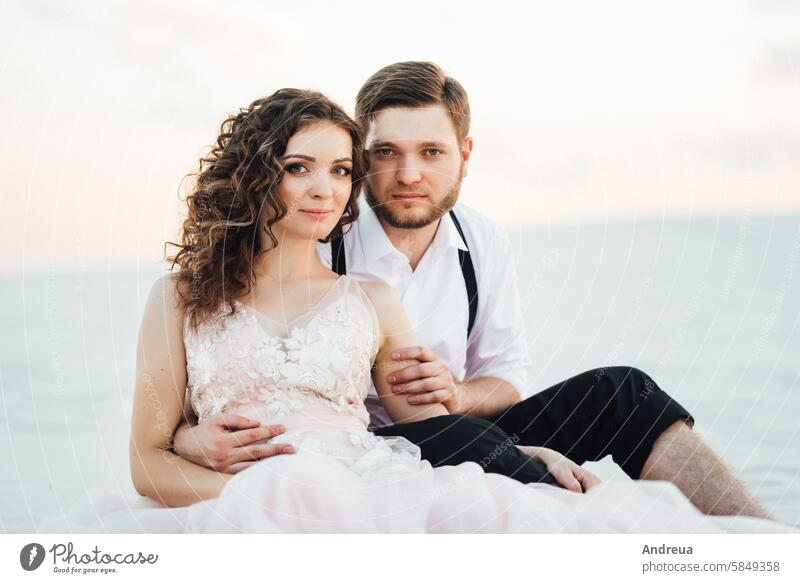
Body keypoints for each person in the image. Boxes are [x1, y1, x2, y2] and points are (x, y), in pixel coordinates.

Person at [40, 88, 796, 534]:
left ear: (462, 154)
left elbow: (424, 422)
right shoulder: (180, 295)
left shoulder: (384, 288)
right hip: (279, 481)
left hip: (382, 458)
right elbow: (146, 456)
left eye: (339, 169)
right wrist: (206, 453)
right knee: (307, 486)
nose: (326, 189)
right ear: (253, 173)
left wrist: (511, 456)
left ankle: (762, 545)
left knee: (617, 399)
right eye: (300, 166)